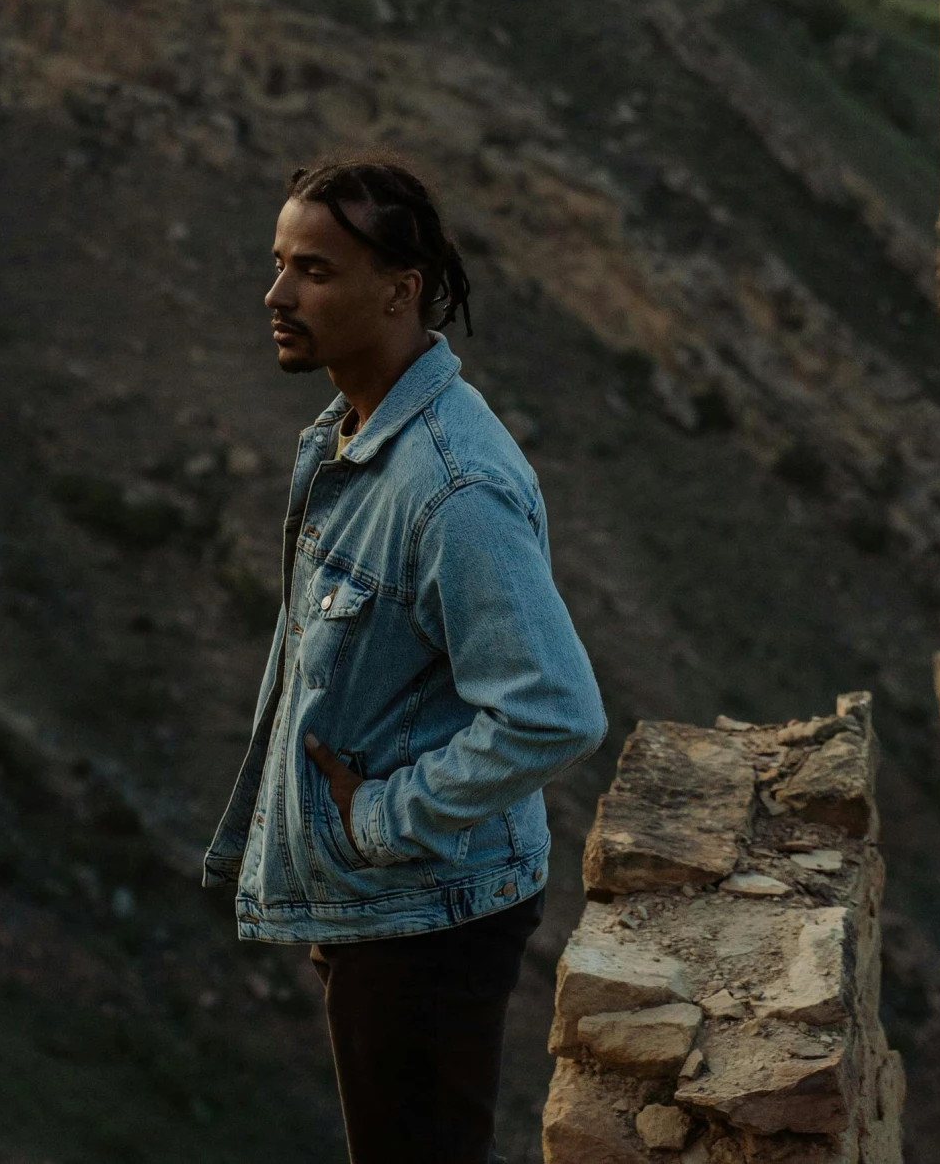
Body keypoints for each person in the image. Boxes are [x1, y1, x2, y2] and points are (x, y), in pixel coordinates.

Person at [204, 155, 606, 1164]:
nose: (278, 294)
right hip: (387, 899)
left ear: (399, 289)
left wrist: (382, 818)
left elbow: (554, 707)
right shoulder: (357, 438)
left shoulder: (448, 483)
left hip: (425, 909)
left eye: (315, 269)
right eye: (279, 262)